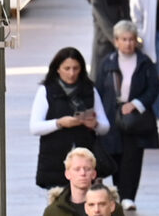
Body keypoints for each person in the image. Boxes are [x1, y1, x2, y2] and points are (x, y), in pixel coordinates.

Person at [96, 22, 159, 207]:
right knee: (114, 153)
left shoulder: (144, 62)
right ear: (116, 41)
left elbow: (153, 88)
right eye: (124, 39)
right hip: (112, 115)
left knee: (132, 157)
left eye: (131, 39)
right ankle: (117, 191)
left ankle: (128, 197)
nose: (128, 43)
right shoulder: (107, 63)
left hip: (135, 119)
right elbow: (99, 89)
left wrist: (136, 104)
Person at [31, 49, 112, 193]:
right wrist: (59, 123)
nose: (71, 73)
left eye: (76, 68)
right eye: (67, 68)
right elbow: (35, 127)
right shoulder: (46, 91)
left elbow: (105, 127)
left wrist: (94, 124)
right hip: (55, 159)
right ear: (57, 69)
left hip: (85, 159)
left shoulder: (90, 90)